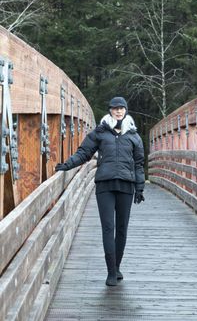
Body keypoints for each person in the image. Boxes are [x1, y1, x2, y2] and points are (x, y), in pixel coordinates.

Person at [55, 96, 145, 286]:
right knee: (108, 228)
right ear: (110, 110)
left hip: (126, 185)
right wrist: (67, 165)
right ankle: (111, 272)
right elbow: (84, 152)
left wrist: (140, 187)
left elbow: (139, 164)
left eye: (121, 108)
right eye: (115, 108)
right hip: (105, 185)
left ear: (126, 110)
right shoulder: (100, 132)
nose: (118, 111)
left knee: (122, 229)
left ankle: (117, 266)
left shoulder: (134, 136)